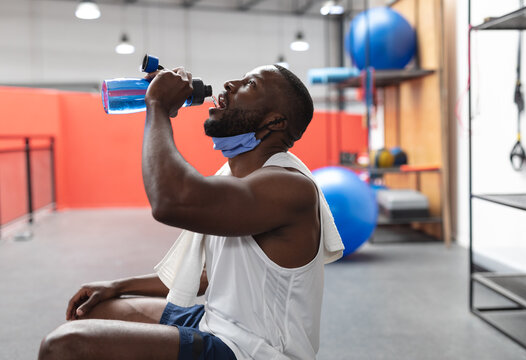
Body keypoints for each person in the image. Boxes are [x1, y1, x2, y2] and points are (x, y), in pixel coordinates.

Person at [38, 64, 342, 360]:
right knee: (94, 310)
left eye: (250, 84)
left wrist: (157, 105)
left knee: (63, 346)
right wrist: (116, 286)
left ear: (275, 122)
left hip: (251, 350)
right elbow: (211, 275)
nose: (230, 85)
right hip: (217, 322)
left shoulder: (289, 186)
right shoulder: (235, 177)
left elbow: (171, 201)